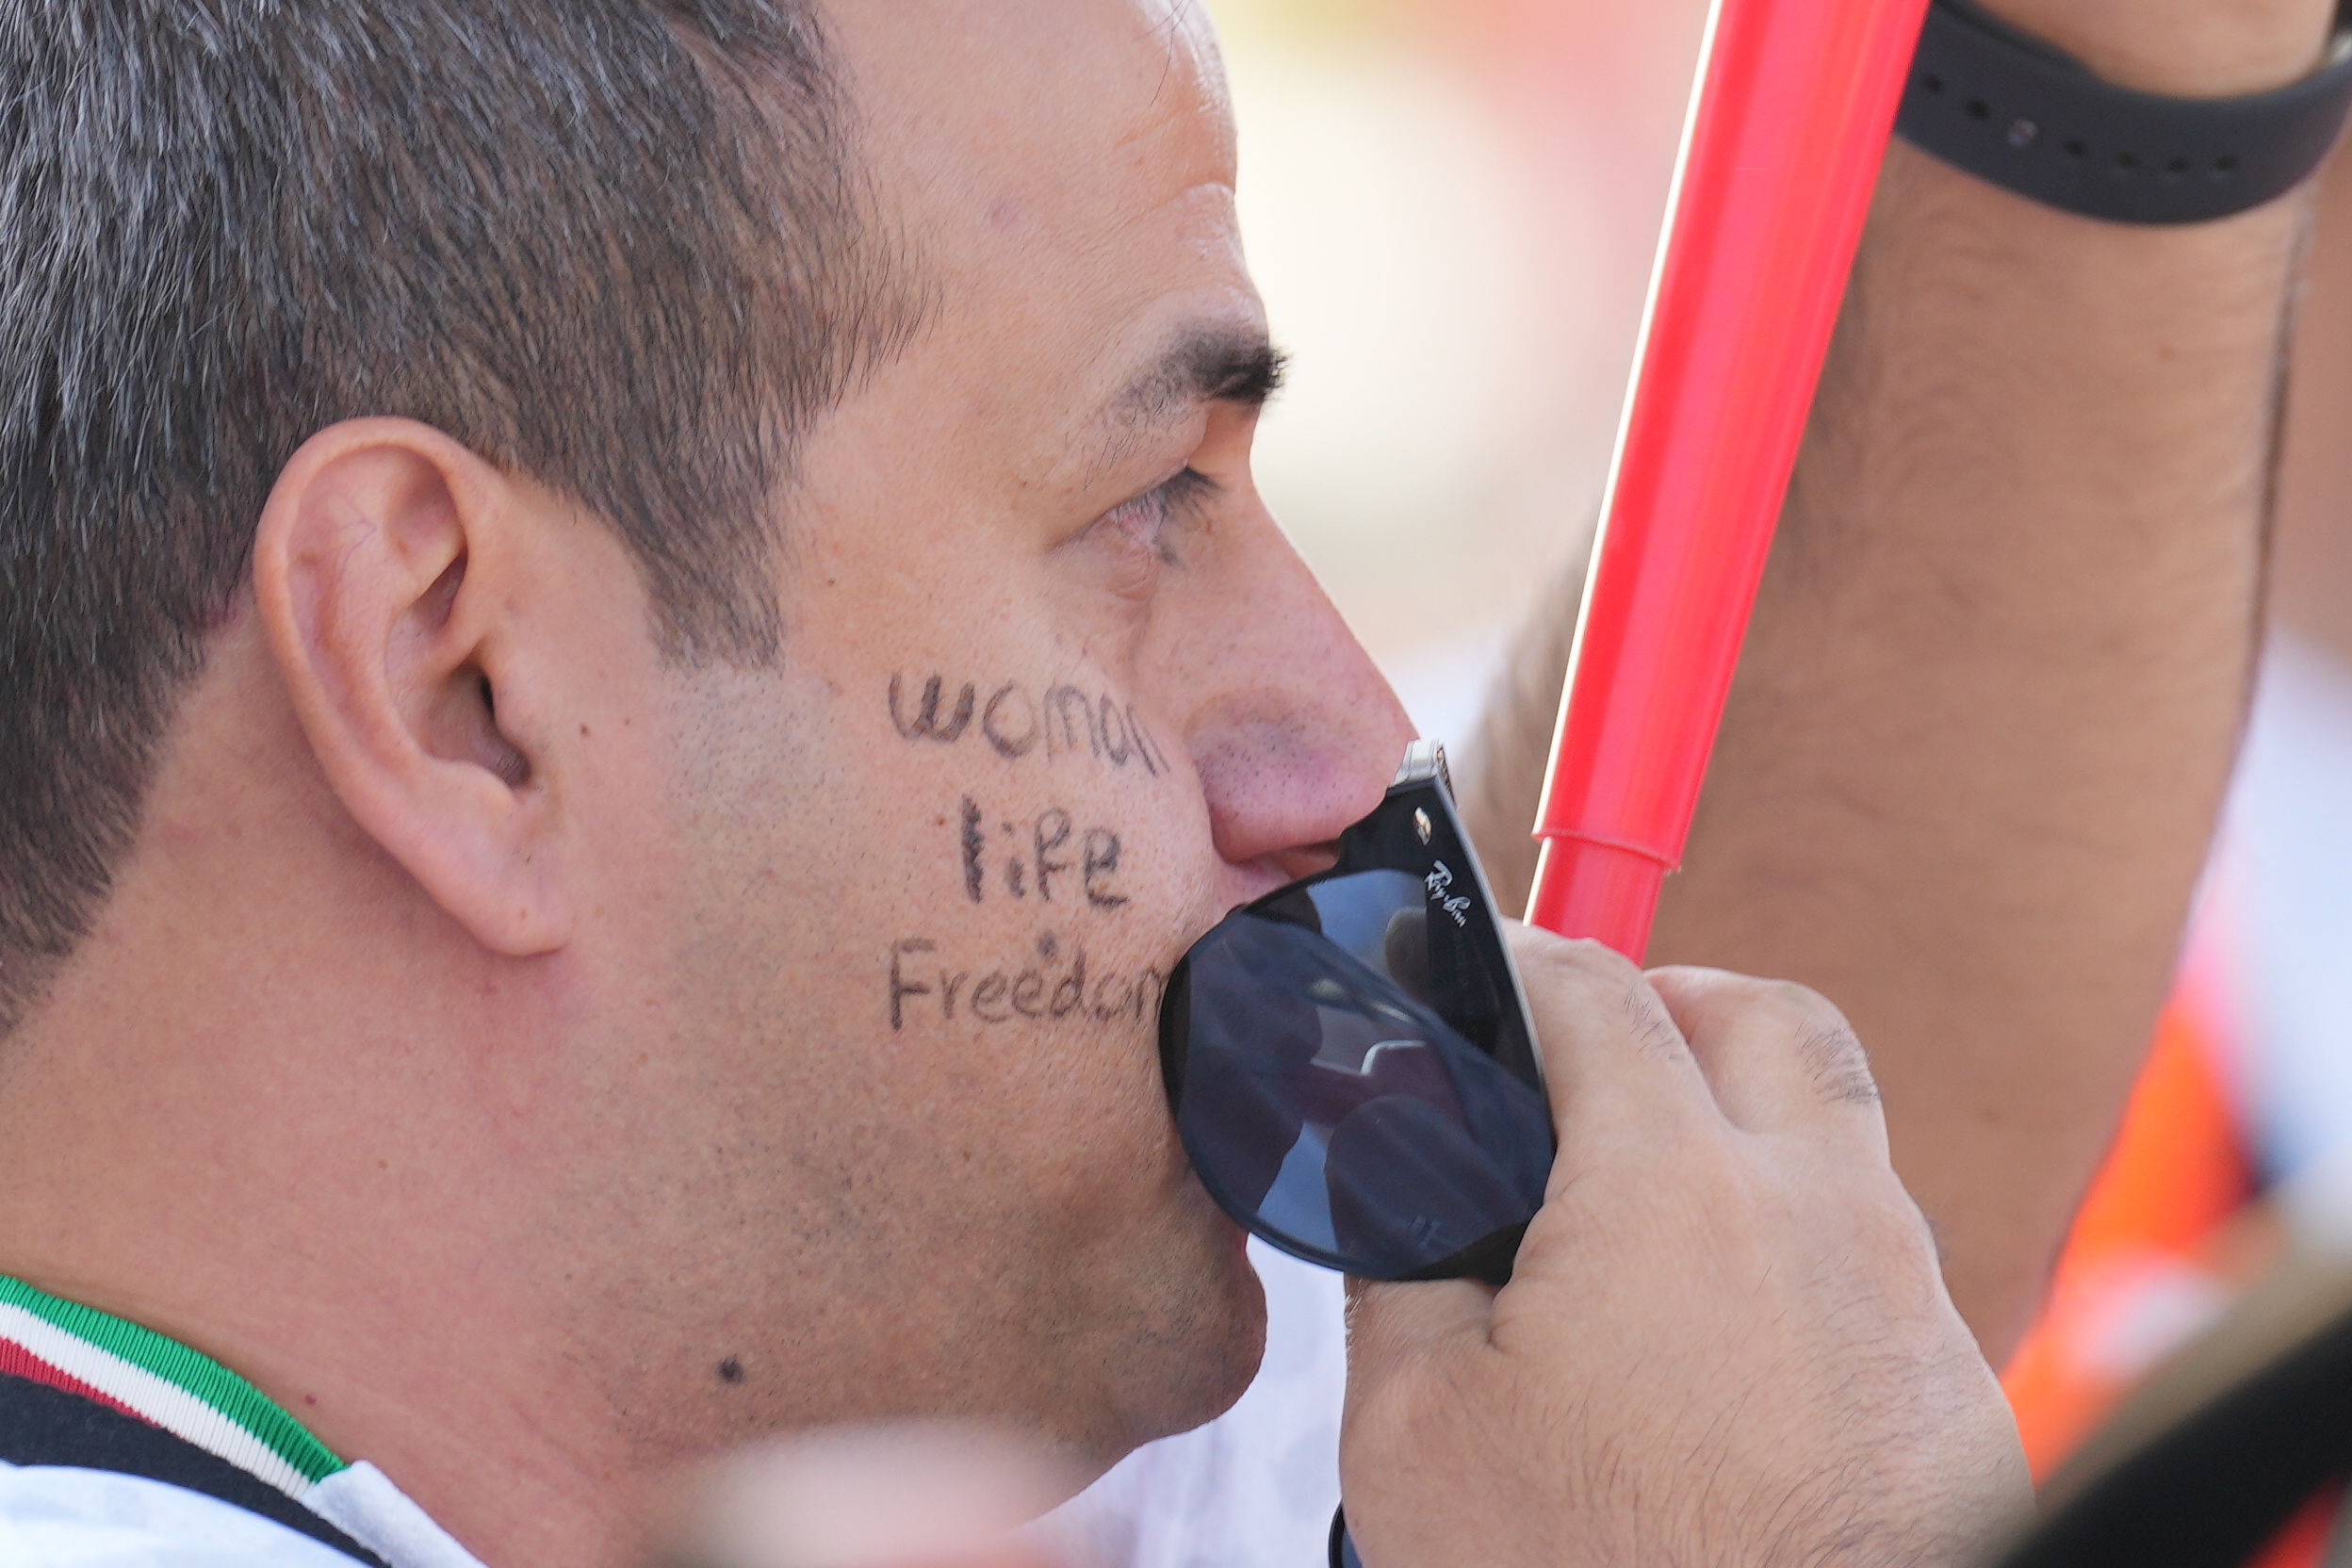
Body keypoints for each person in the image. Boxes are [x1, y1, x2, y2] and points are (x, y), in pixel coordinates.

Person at [0, 1, 2331, 1565]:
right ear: (460, 683)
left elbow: (1716, 1274)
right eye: (1150, 500)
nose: (1343, 737)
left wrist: (2124, 67)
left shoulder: (851, 1397)